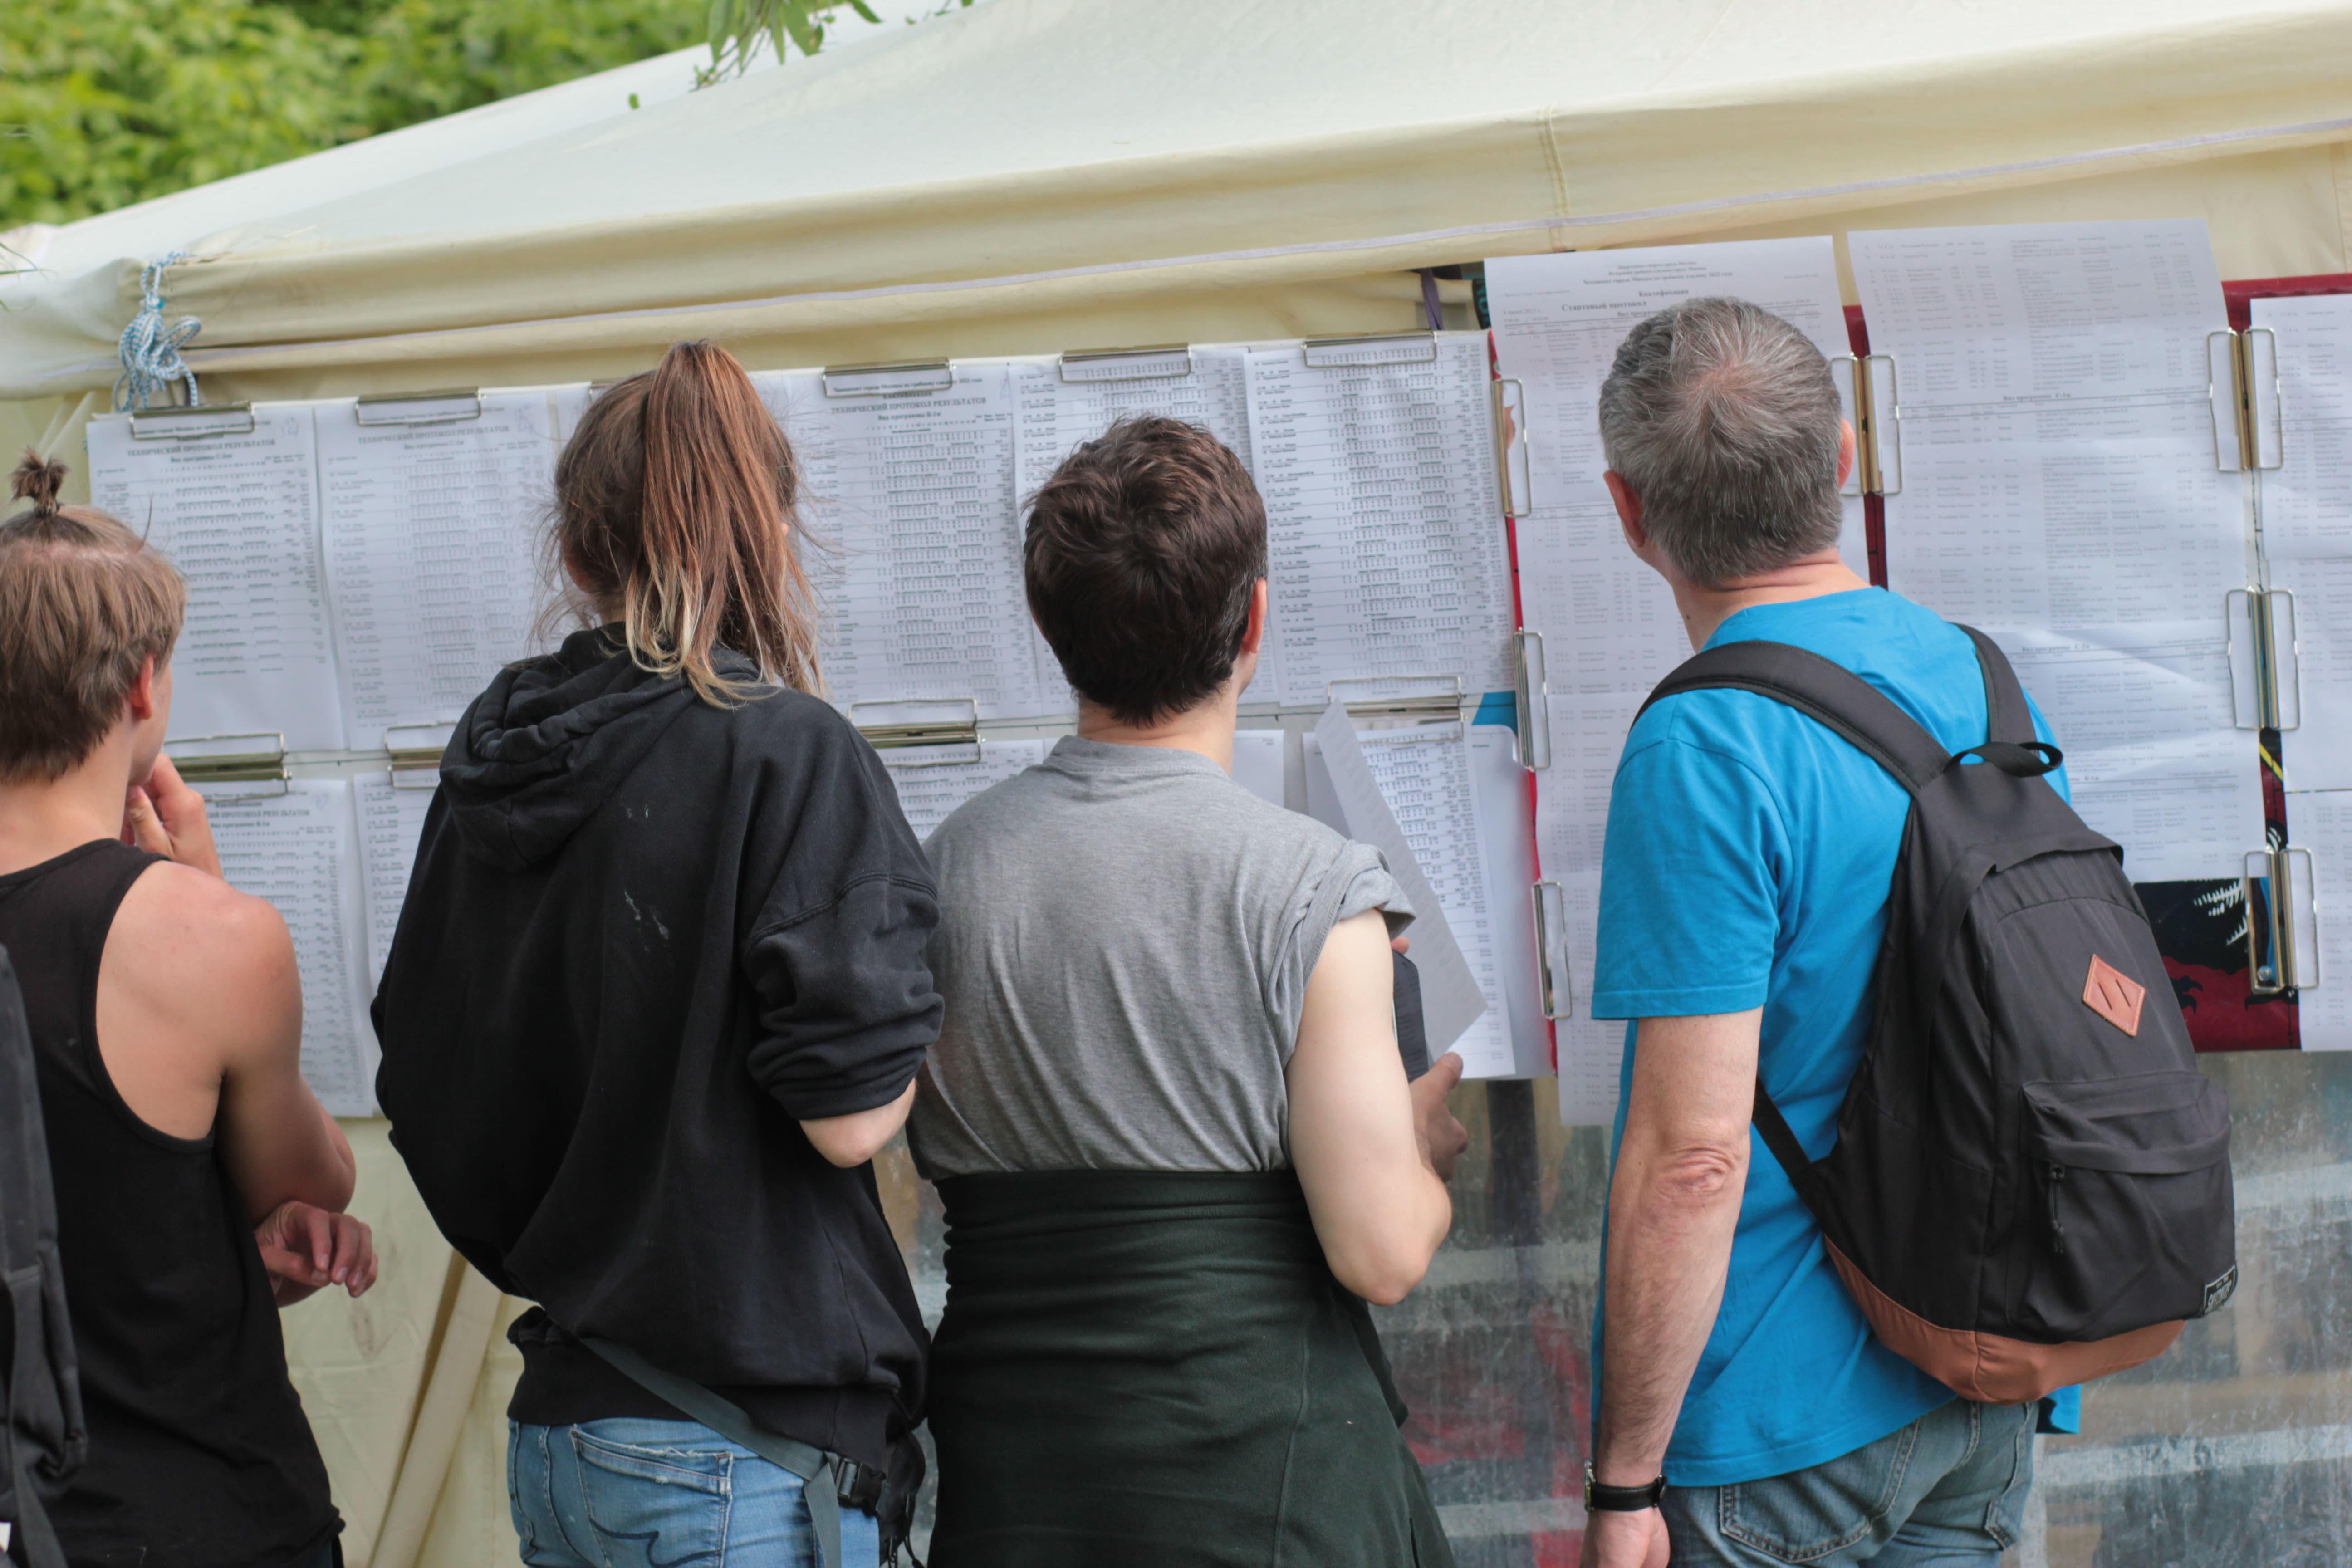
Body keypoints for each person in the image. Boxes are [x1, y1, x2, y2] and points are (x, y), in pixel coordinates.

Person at [373, 342, 940, 1568]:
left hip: (565, 1430)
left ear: (578, 558)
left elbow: (422, 1079)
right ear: (771, 538)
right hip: (739, 1456)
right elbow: (850, 1121)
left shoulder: (492, 763)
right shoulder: (788, 751)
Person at [909, 415, 1470, 1567]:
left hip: (1018, 1489)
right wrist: (1416, 1151)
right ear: (1255, 621)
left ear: (1048, 627)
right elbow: (1382, 1255)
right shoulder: (1314, 892)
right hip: (1263, 1495)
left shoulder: (938, 875)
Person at [1576, 299, 2077, 1568]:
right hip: (1980, 1361)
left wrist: (1622, 1486)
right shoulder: (1980, 678)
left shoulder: (1705, 742)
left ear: (1629, 513)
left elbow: (1694, 1159)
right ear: (1846, 459)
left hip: (1782, 1417)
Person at [0, 451, 376, 1568]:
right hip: (196, 1514)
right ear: (142, 685)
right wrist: (200, 892)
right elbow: (311, 1189)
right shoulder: (209, 938)